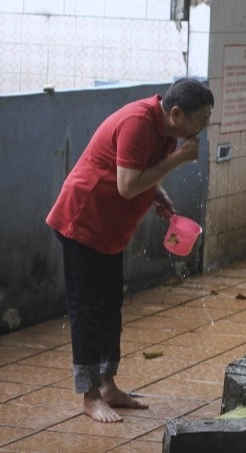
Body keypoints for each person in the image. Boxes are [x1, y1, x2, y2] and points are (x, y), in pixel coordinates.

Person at [46, 78, 214, 423]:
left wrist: (156, 193)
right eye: (202, 118)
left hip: (111, 230)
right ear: (177, 114)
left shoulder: (166, 130)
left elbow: (139, 172)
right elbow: (126, 185)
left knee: (111, 307)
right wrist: (178, 159)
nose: (205, 126)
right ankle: (90, 396)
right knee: (87, 311)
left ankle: (108, 385)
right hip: (83, 223)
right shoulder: (138, 122)